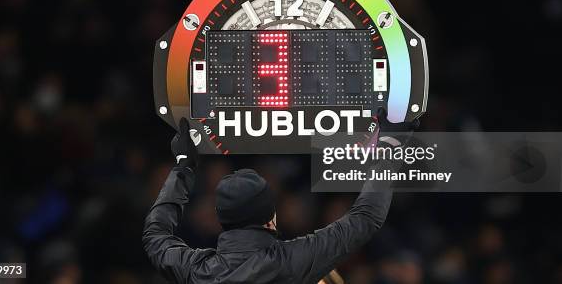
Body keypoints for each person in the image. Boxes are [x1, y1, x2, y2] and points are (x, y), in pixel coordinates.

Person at [143, 109, 418, 283]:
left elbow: (155, 235)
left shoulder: (196, 271)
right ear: (271, 218)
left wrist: (183, 167)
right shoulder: (293, 261)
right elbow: (367, 216)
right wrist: (387, 149)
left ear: (220, 219)